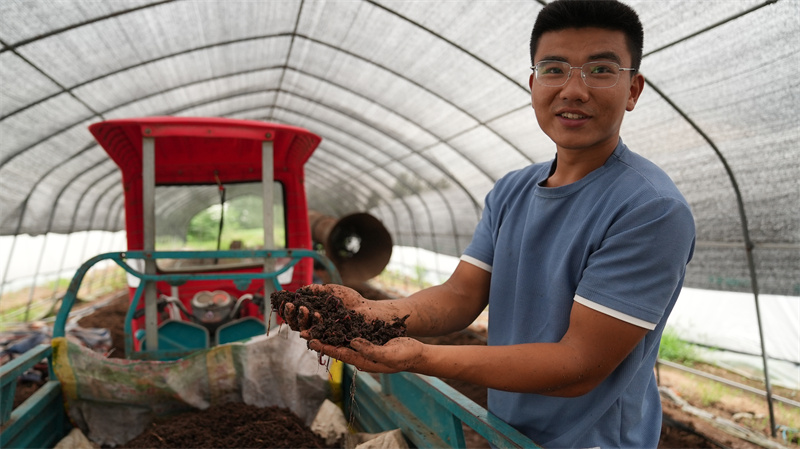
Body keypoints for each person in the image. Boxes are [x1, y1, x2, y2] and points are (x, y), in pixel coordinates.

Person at [281, 0, 696, 447]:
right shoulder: (512, 191)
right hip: (505, 430)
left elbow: (578, 365)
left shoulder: (649, 209)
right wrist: (370, 312)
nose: (573, 90)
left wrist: (420, 357)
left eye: (600, 70)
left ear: (633, 89)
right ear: (533, 84)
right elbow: (460, 296)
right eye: (554, 69)